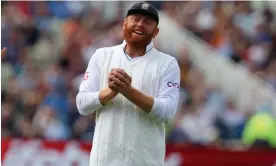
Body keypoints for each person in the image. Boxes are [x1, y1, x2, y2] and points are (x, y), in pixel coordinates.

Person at [76, 2, 180, 166]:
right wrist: (110, 92)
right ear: (124, 24)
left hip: (146, 161)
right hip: (103, 161)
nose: (140, 24)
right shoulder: (102, 56)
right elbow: (82, 104)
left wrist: (128, 91)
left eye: (147, 22)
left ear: (156, 32)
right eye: (135, 19)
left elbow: (167, 111)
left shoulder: (167, 63)